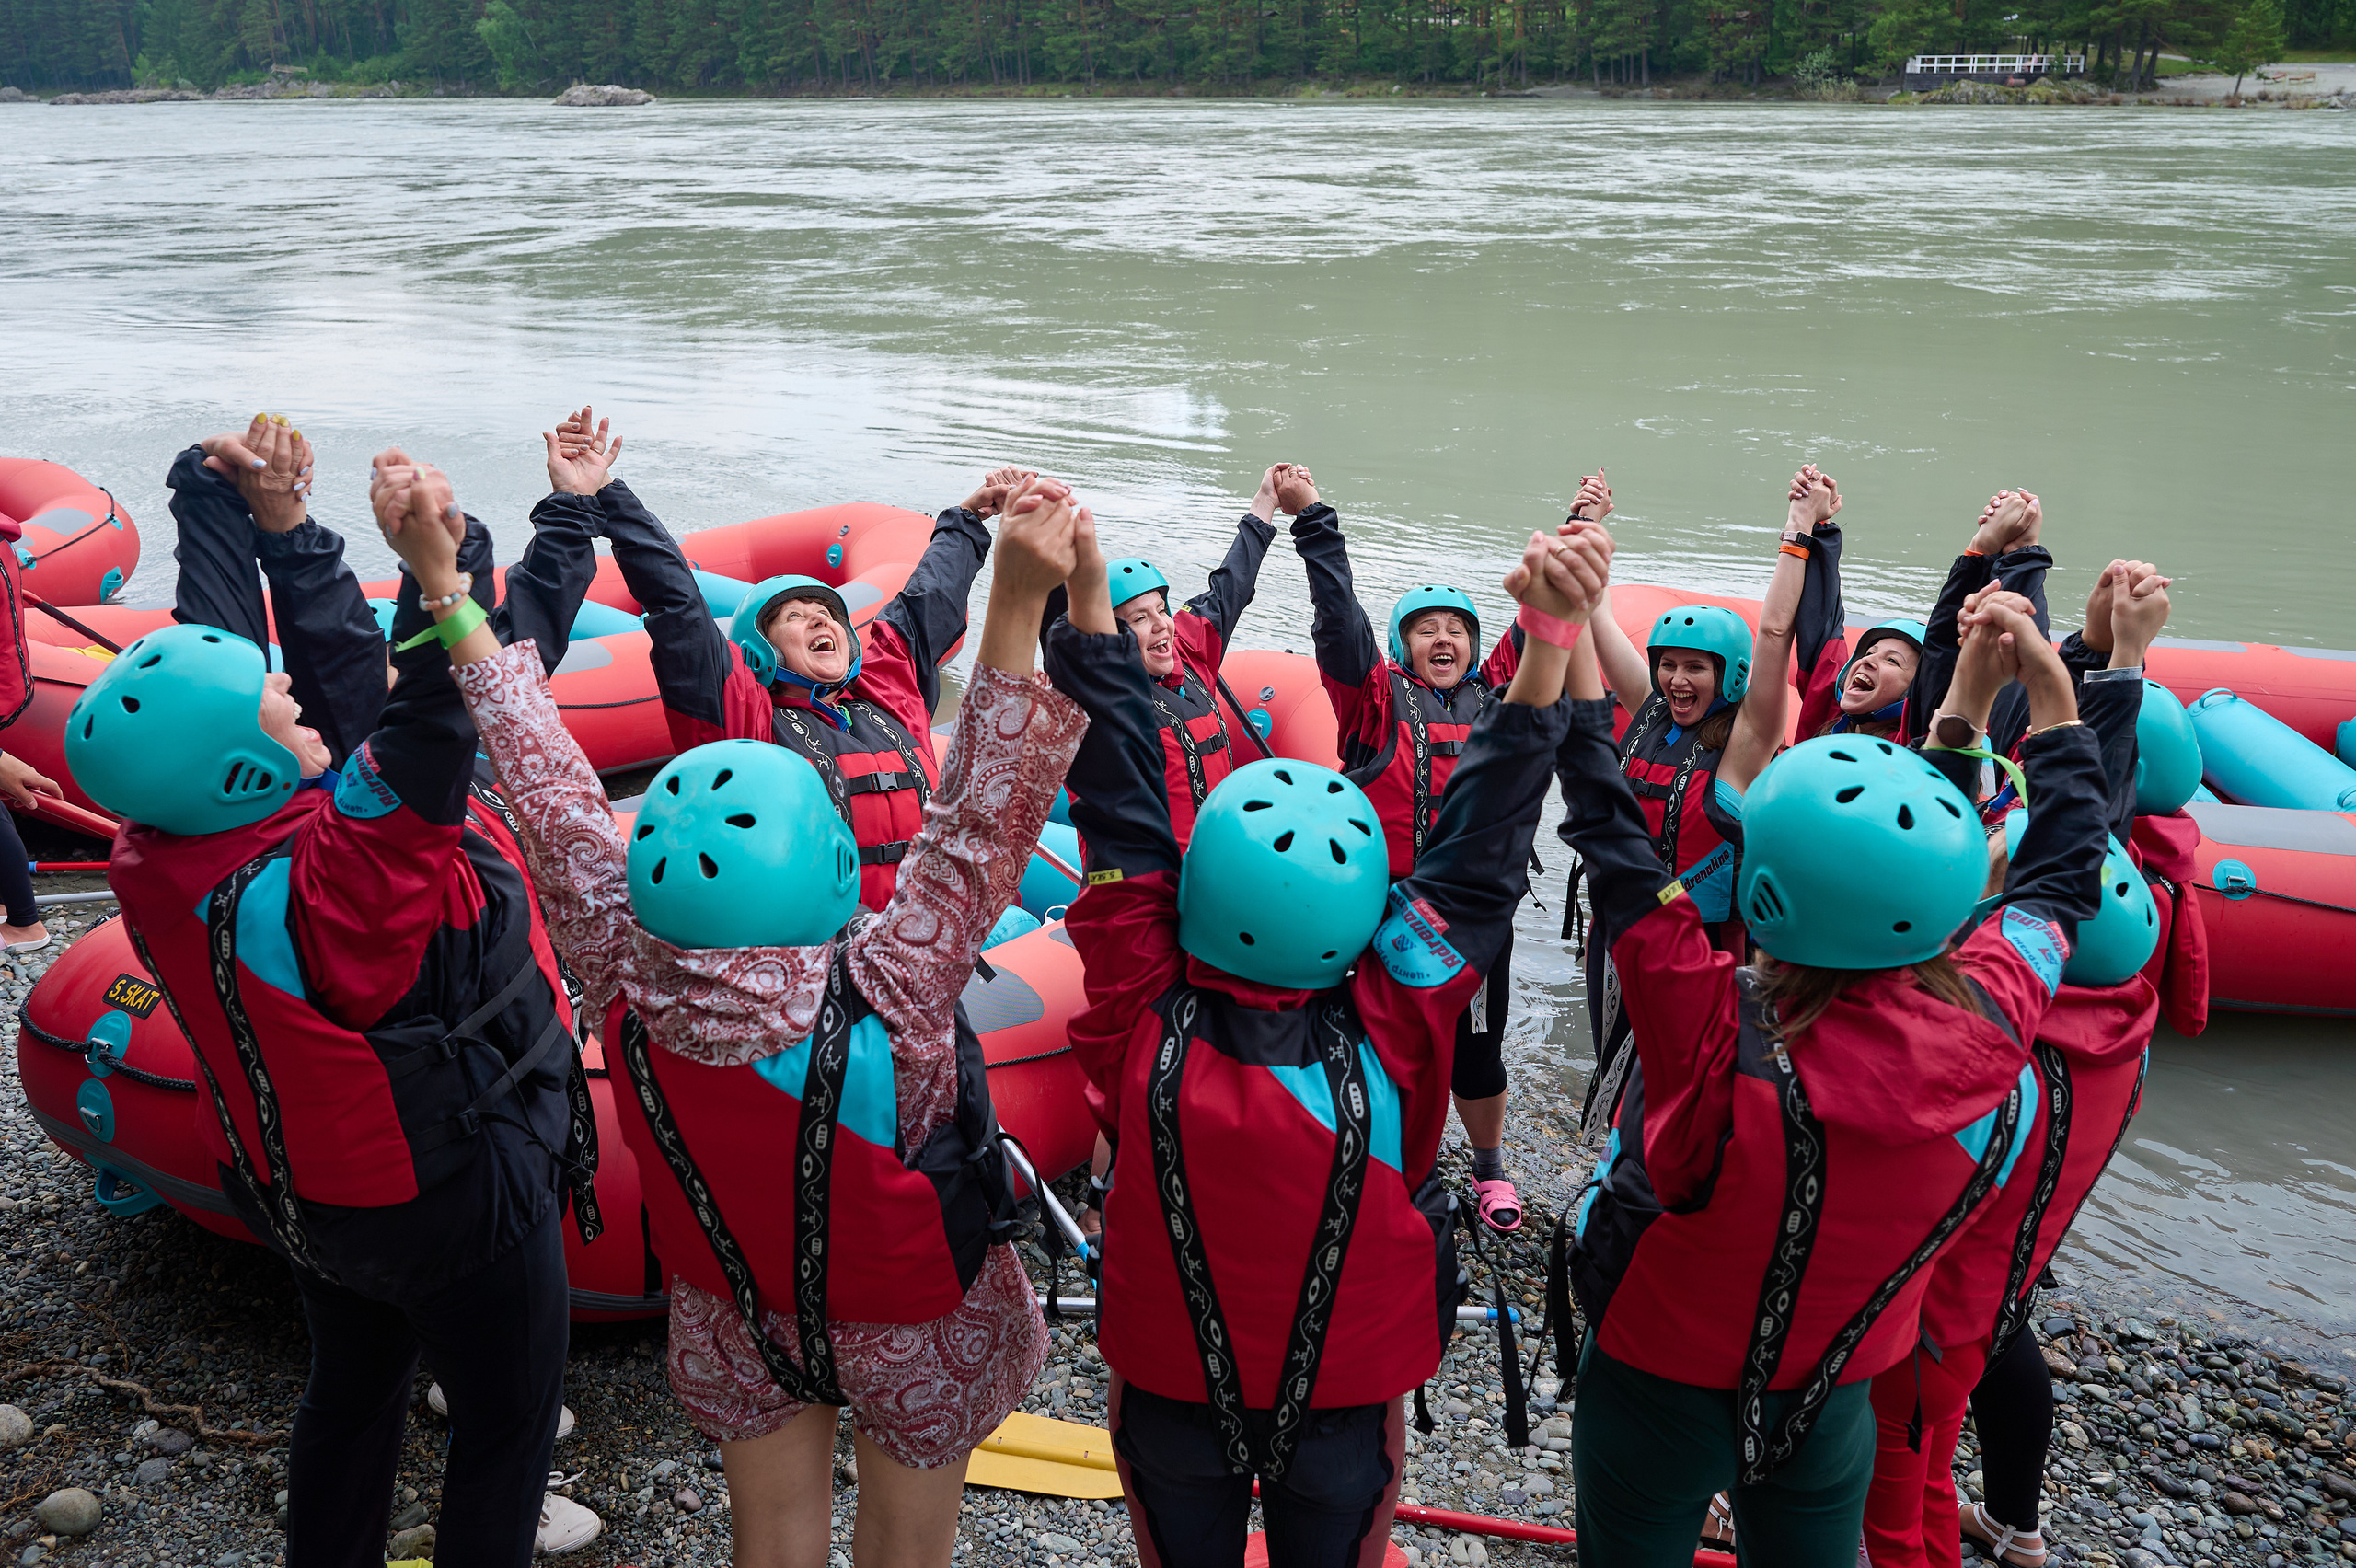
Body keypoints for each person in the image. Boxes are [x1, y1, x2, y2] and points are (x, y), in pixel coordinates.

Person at [404, 449, 1086, 1568]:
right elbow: (984, 812)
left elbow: (546, 781)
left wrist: (446, 589)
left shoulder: (617, 967)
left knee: (769, 1543)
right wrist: (1017, 599)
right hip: (913, 1319)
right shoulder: (897, 977)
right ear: (831, 868)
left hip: (735, 1312)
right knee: (906, 1549)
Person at [72, 419, 604, 1564]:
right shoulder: (349, 876)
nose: (293, 697)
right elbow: (431, 714)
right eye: (277, 710)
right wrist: (435, 570)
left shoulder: (164, 849)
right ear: (245, 765)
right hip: (446, 1199)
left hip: (294, 1189)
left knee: (352, 1395)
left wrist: (229, 508)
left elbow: (230, 666)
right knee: (506, 1425)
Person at [1051, 502, 1608, 1567]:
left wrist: (1083, 599)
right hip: (1346, 1391)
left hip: (1169, 1379)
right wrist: (1544, 642)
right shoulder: (1396, 1019)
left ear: (1200, 887)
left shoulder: (1139, 1001)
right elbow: (1481, 859)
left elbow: (1114, 798)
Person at [1557, 570, 2108, 1567]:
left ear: (1762, 889)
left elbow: (1613, 844)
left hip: (1655, 1381)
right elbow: (2060, 879)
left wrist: (1556, 640)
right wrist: (2052, 704)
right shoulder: (1992, 1025)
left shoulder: (1705, 1026)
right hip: (1831, 1390)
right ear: (1952, 900)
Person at [1855, 571, 2170, 1568]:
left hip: (1923, 1321)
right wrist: (2090, 670)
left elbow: (1929, 874)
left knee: (1898, 1519)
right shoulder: (2109, 1033)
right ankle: (2012, 1529)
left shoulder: (1989, 1052)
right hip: (1982, 1306)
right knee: (1930, 1459)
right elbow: (2079, 845)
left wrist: (1989, 693)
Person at [548, 404, 1022, 912]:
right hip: (833, 943)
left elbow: (927, 600)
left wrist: (969, 519)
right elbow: (677, 602)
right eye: (795, 617)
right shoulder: (743, 720)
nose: (819, 621)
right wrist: (606, 492)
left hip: (936, 929)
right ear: (760, 652)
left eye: (827, 614)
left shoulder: (888, 690)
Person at [1287, 463, 1533, 1231]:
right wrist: (1313, 519)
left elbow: (1545, 621)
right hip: (1385, 905)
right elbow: (1338, 620)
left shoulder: (1499, 696)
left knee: (1477, 1045)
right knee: (1377, 1036)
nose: (1444, 637)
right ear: (1402, 645)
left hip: (1476, 912)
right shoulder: (1373, 699)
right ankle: (1379, 1155)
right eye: (1427, 628)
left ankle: (1489, 1169)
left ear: (1475, 648)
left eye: (1457, 628)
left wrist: (1580, 527)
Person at [1572, 465, 1844, 1141]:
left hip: (1701, 945)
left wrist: (1798, 531)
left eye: (1695, 666)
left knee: (1684, 1078)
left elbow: (1775, 635)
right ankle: (1613, 1164)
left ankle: (1665, 1166)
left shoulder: (1744, 745)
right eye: (1668, 663)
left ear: (1729, 676)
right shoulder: (1648, 711)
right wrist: (1585, 527)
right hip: (1620, 928)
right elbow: (1595, 615)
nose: (1676, 678)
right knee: (1615, 1060)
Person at [1089, 462, 1283, 847]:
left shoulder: (1186, 656)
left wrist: (1265, 502)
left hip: (1215, 861)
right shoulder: (1104, 704)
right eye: (1139, 618)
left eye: (1161, 610)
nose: (1161, 625)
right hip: (1154, 875)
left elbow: (1229, 590)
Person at [1796, 489, 2052, 747]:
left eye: (1892, 661)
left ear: (1913, 692)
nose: (1868, 661)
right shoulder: (1827, 712)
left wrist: (1995, 552)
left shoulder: (1917, 741)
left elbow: (1942, 654)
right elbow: (1820, 619)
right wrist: (1816, 524)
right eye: (1870, 652)